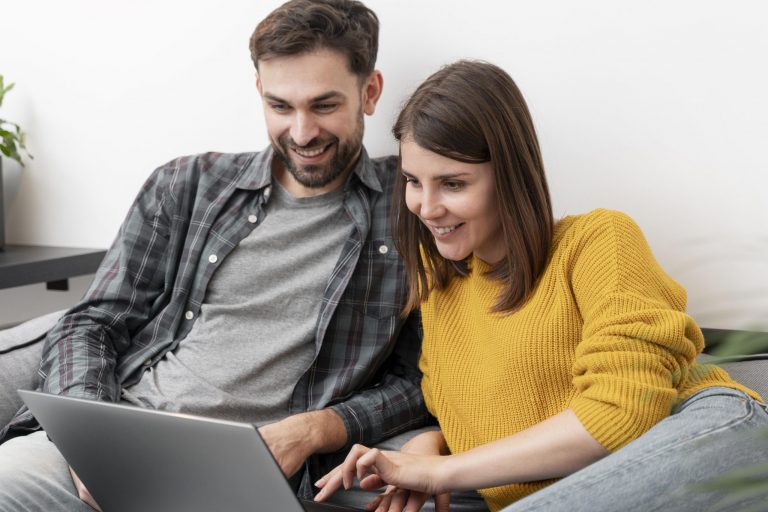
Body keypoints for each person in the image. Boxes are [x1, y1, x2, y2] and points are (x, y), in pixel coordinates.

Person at [0, 1, 432, 510]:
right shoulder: (186, 185)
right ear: (258, 93)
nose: (301, 132)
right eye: (280, 106)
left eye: (323, 105)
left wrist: (316, 429)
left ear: (370, 92)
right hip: (125, 431)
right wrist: (90, 439)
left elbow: (420, 381)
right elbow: (92, 323)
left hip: (247, 466)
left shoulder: (414, 208)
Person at [314, 60, 768, 512]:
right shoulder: (441, 294)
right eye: (414, 181)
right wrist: (432, 443)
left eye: (452, 184)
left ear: (510, 177)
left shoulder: (598, 241)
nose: (426, 207)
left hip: (712, 433)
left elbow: (625, 410)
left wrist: (443, 471)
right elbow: (504, 414)